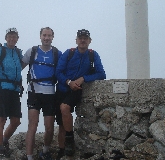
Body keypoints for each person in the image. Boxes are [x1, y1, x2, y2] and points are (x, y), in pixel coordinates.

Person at [55, 29, 106, 159]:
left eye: (85, 38)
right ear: (76, 40)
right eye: (80, 38)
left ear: (89, 41)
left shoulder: (93, 55)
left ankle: (70, 140)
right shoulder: (69, 53)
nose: (83, 40)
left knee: (64, 108)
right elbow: (58, 72)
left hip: (76, 90)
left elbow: (101, 74)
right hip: (62, 89)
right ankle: (62, 151)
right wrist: (68, 82)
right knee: (61, 123)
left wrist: (84, 78)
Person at [22, 27, 62, 160]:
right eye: (44, 35)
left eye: (49, 35)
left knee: (49, 127)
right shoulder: (32, 51)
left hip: (50, 94)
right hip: (34, 92)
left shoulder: (57, 53)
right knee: (32, 126)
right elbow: (18, 67)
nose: (46, 38)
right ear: (40, 36)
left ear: (52, 37)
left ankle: (45, 151)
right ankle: (29, 157)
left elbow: (63, 70)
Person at [0, 27, 23, 159]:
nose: (12, 38)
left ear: (17, 38)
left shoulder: (18, 53)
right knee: (1, 119)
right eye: (10, 36)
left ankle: (5, 141)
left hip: (14, 90)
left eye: (14, 36)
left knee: (16, 121)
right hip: (0, 88)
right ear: (6, 38)